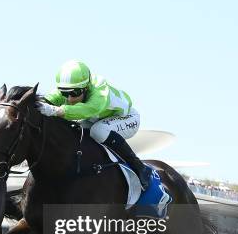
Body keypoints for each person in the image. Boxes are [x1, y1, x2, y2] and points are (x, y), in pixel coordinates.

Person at [36, 60, 152, 189]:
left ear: (86, 87)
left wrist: (55, 110)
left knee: (98, 131)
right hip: (98, 120)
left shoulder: (100, 91)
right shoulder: (71, 86)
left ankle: (139, 167)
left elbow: (89, 109)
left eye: (74, 93)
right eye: (64, 93)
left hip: (126, 118)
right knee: (72, 130)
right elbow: (45, 101)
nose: (69, 98)